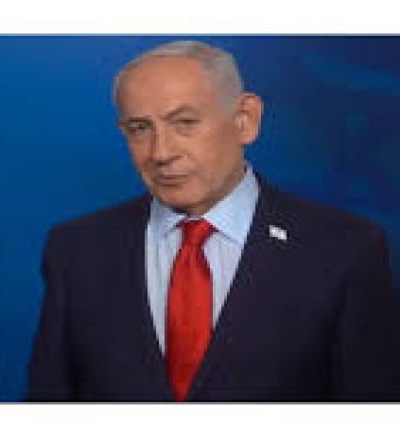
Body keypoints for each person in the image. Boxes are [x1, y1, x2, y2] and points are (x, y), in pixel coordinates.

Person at [26, 40, 400, 401]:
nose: (161, 152)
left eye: (185, 123)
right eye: (140, 128)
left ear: (245, 120)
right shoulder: (77, 250)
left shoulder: (345, 250)